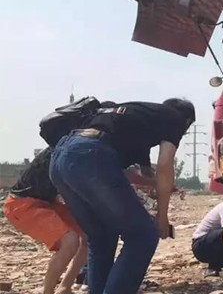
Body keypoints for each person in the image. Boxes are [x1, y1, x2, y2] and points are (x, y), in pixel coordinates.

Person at [49, 98, 195, 294]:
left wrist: (161, 187)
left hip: (61, 158)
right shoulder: (175, 118)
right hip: (90, 157)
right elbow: (165, 165)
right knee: (143, 235)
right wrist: (162, 216)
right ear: (187, 121)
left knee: (101, 236)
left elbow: (146, 175)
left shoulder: (136, 117)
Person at [3, 147, 88, 294]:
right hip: (21, 203)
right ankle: (47, 291)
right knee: (70, 240)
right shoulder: (68, 148)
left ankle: (65, 287)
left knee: (88, 236)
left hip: (47, 202)